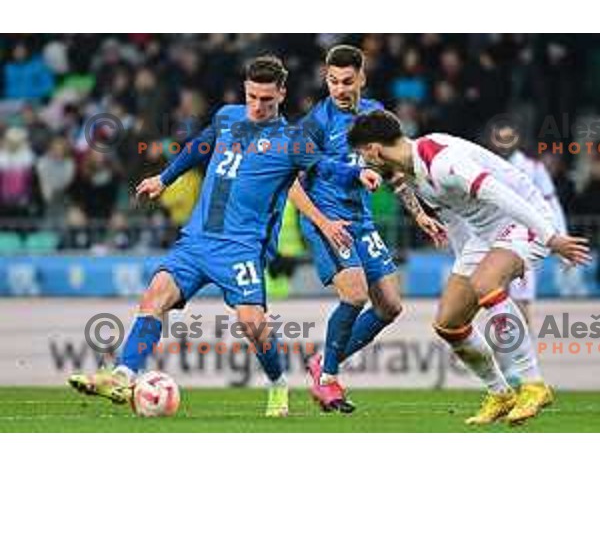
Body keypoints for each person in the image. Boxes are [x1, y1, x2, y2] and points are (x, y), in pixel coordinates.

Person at [68, 55, 380, 417]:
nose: (258, 106)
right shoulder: (227, 117)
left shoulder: (291, 140)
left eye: (267, 99)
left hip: (242, 249)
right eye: (252, 97)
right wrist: (164, 178)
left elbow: (325, 167)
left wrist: (356, 175)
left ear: (281, 93)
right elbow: (201, 145)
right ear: (244, 91)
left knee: (253, 325)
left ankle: (278, 385)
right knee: (154, 297)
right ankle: (122, 374)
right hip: (197, 240)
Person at [347, 109, 590, 425]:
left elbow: (501, 195)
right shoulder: (412, 173)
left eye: (363, 155)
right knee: (448, 322)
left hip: (522, 220)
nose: (365, 163)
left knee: (486, 284)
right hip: (484, 234)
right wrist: (464, 266)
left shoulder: (442, 161)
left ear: (373, 150)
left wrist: (551, 236)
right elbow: (455, 219)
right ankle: (500, 393)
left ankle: (533, 384)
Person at [288, 45, 445, 412]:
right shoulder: (314, 124)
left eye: (347, 81)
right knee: (355, 295)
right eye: (332, 81)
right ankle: (328, 380)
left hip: (361, 220)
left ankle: (322, 361)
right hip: (328, 220)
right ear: (325, 80)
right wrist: (323, 224)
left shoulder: (376, 115)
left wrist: (418, 213)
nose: (340, 89)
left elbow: (392, 170)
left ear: (362, 77)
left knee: (390, 306)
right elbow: (291, 183)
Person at [485, 118, 568, 330]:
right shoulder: (485, 165)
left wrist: (562, 238)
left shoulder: (533, 168)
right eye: (499, 138)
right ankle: (504, 351)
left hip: (526, 242)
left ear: (517, 139)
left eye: (508, 137)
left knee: (521, 300)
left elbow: (552, 202)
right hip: (493, 240)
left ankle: (523, 354)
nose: (503, 143)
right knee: (494, 299)